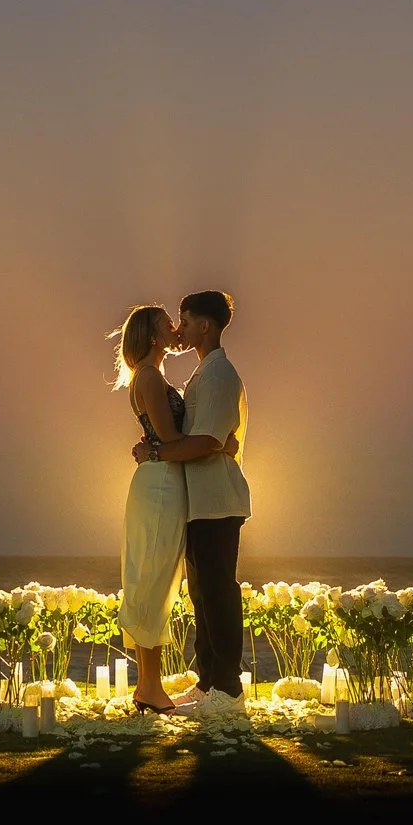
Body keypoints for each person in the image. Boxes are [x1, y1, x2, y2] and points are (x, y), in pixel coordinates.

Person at [133, 288, 247, 697]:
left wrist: (156, 452)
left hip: (217, 498)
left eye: (184, 321)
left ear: (205, 325)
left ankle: (228, 687)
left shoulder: (217, 374)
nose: (179, 330)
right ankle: (208, 683)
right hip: (198, 499)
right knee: (202, 593)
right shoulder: (203, 372)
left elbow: (208, 441)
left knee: (218, 591)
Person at [114, 302, 190, 712]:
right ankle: (150, 686)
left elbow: (162, 442)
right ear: (153, 335)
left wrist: (154, 451)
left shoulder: (150, 376)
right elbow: (170, 438)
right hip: (160, 485)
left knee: (153, 578)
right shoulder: (149, 378)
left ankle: (148, 686)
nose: (177, 329)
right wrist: (216, 442)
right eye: (168, 325)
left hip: (161, 479)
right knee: (153, 579)